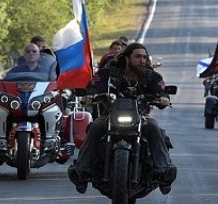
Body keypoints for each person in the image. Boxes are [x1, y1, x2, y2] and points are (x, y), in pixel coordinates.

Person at [67, 42, 177, 195]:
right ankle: (82, 171)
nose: (142, 60)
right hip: (110, 117)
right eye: (138, 56)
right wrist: (89, 95)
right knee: (96, 126)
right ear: (127, 58)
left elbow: (160, 90)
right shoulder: (109, 73)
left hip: (140, 118)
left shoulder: (152, 76)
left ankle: (163, 172)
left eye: (144, 57)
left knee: (154, 127)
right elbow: (95, 85)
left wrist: (163, 98)